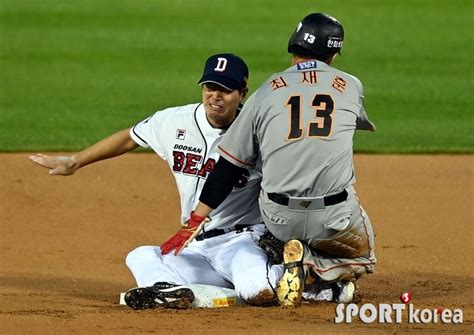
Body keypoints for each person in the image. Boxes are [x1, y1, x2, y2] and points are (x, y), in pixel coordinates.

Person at [29, 53, 283, 309]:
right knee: (140, 256)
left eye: (225, 90)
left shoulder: (259, 132)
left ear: (243, 93)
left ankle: (296, 274)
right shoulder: (174, 122)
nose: (215, 96)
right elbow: (130, 137)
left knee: (256, 291)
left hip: (241, 242)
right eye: (210, 87)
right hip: (196, 246)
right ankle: (170, 292)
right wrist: (75, 161)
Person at [161, 13, 377, 306]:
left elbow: (228, 165)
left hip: (278, 218)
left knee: (277, 204)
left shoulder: (265, 91)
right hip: (333, 218)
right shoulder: (351, 85)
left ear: (293, 46)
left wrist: (196, 218)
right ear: (335, 53)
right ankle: (313, 266)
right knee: (364, 256)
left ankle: (281, 251)